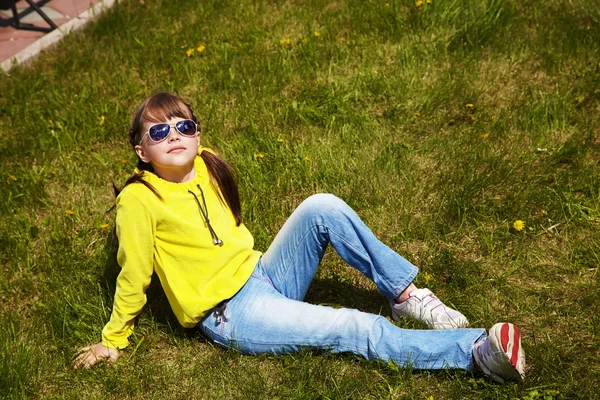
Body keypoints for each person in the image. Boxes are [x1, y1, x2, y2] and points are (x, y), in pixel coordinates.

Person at [74, 92, 526, 384]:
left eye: (183, 126)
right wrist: (113, 340)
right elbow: (134, 273)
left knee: (321, 206)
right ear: (141, 151)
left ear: (198, 134)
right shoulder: (139, 200)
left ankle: (406, 296)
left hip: (263, 275)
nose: (174, 135)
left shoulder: (207, 162)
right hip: (232, 313)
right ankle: (474, 352)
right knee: (349, 326)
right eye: (159, 131)